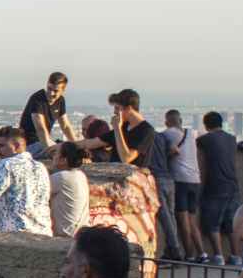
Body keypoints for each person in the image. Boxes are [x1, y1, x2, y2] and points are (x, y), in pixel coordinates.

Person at [74, 90, 181, 260]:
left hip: (134, 191)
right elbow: (94, 142)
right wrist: (65, 147)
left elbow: (127, 157)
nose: (115, 114)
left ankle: (174, 253)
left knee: (150, 226)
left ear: (129, 108)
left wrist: (117, 129)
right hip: (120, 190)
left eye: (117, 109)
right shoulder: (124, 127)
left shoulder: (146, 131)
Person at [195, 112, 241, 265]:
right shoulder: (232, 139)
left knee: (212, 223)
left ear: (206, 125)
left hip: (215, 184)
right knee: (231, 224)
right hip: (233, 185)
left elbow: (201, 163)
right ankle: (236, 256)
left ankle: (219, 256)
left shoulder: (203, 140)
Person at [161, 110, 204, 261]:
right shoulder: (192, 133)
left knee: (182, 220)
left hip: (181, 180)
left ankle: (190, 255)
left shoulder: (168, 133)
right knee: (193, 220)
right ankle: (202, 254)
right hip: (196, 180)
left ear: (167, 122)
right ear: (180, 120)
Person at [20, 72, 77, 158]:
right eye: (49, 89)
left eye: (55, 91)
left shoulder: (60, 100)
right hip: (30, 144)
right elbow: (40, 129)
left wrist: (77, 147)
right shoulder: (37, 99)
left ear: (63, 90)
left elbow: (65, 126)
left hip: (43, 142)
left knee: (68, 148)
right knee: (64, 151)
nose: (51, 93)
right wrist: (51, 151)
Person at [48, 143, 91, 239]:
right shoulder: (80, 175)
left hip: (66, 236)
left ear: (64, 160)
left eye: (56, 153)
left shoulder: (61, 177)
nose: (53, 157)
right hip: (80, 233)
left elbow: (36, 192)